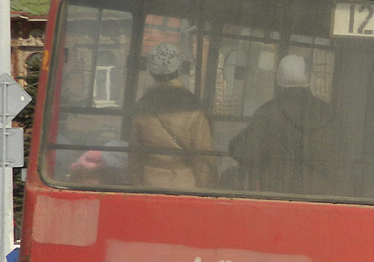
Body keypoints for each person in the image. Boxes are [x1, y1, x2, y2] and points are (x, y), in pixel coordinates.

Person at [229, 54, 349, 195]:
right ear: (307, 79)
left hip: (278, 197)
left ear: (278, 81)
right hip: (322, 198)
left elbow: (241, 151)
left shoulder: (267, 113)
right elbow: (344, 160)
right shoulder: (330, 114)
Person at [129, 43, 216, 190]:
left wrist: (136, 185)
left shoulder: (142, 105)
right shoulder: (193, 106)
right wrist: (205, 189)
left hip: (149, 183)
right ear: (179, 70)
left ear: (151, 72)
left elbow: (134, 154)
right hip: (184, 184)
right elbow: (203, 157)